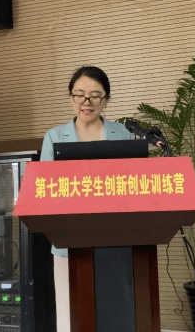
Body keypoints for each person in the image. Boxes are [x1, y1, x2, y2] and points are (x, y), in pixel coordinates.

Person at [40, 65, 132, 332]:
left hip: (114, 239)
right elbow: (44, 189)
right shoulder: (54, 137)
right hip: (69, 240)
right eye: (79, 95)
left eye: (95, 95)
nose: (86, 102)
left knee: (114, 311)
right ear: (71, 97)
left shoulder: (122, 134)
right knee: (71, 314)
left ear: (106, 99)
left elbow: (132, 186)